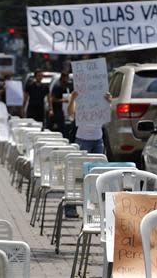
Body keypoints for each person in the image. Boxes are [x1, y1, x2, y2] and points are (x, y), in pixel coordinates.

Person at [65, 90, 112, 218]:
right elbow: (70, 113)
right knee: (77, 174)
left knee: (96, 175)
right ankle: (70, 207)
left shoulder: (102, 96)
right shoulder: (79, 97)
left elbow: (108, 116)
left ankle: (94, 209)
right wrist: (73, 99)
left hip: (98, 140)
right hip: (82, 139)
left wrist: (109, 102)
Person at [50, 72, 73, 137]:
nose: (68, 79)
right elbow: (53, 99)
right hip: (57, 111)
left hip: (65, 111)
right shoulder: (57, 86)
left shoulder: (66, 86)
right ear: (63, 77)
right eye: (67, 78)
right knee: (60, 129)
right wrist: (63, 100)